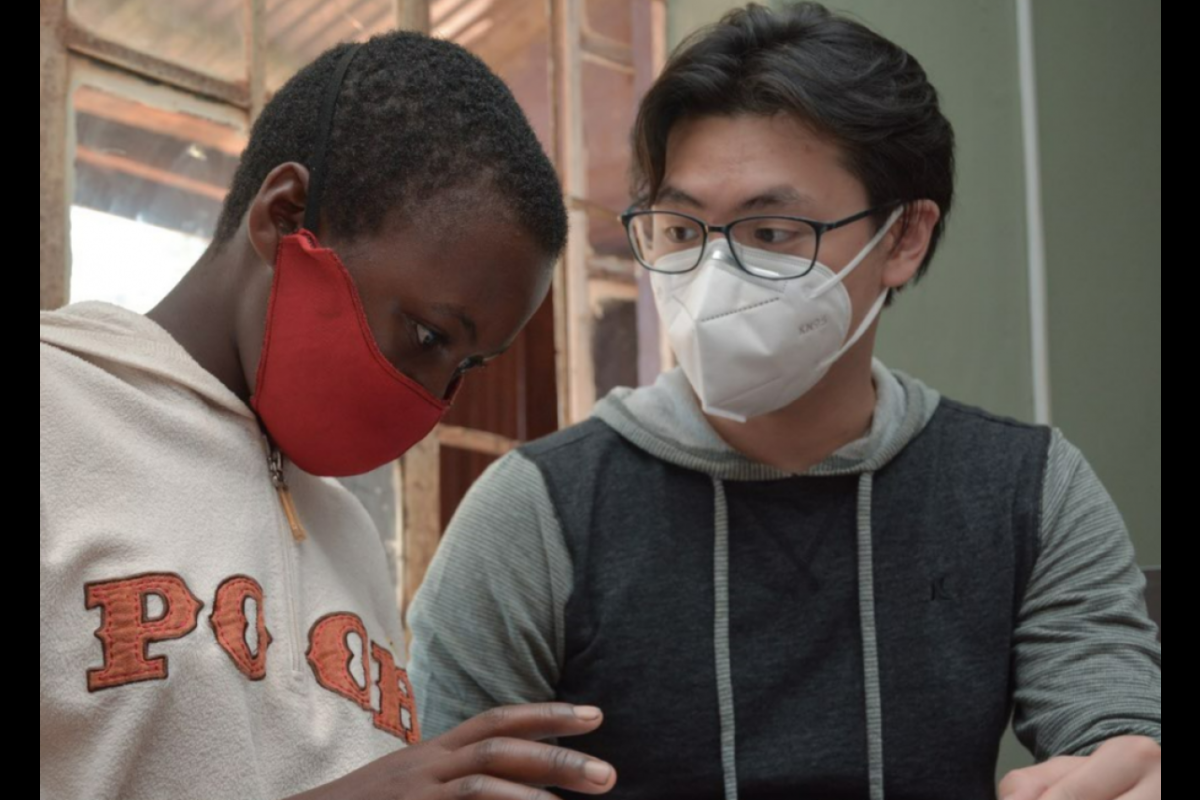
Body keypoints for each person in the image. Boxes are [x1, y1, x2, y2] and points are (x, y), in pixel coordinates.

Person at [406, 4, 1162, 799]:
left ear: (903, 238)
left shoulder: (1028, 492)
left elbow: (1113, 722)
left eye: (771, 232)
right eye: (681, 230)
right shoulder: (538, 514)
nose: (712, 276)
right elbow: (435, 773)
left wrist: (1129, 766)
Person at [40, 31, 619, 800]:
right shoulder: (58, 410)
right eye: (427, 335)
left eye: (466, 368)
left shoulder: (347, 535)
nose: (433, 400)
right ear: (285, 218)